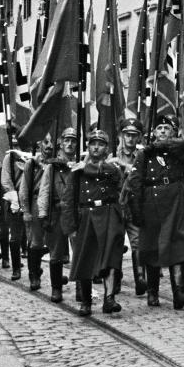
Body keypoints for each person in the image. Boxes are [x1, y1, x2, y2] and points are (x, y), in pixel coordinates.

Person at [126, 115, 184, 309]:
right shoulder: (145, 154)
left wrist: (165, 145)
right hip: (152, 201)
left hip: (175, 202)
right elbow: (135, 182)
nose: (163, 131)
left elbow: (183, 146)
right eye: (159, 128)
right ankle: (152, 292)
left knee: (177, 246)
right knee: (152, 247)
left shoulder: (177, 151)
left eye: (167, 128)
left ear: (173, 132)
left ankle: (178, 293)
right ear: (153, 133)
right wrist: (137, 208)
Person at [62, 129, 125, 316]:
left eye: (101, 144)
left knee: (111, 257)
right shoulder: (77, 172)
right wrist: (70, 226)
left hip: (108, 214)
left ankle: (109, 298)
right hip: (86, 215)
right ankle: (86, 301)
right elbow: (69, 199)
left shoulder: (112, 168)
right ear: (88, 147)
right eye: (93, 144)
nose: (96, 147)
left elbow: (118, 183)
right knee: (85, 258)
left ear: (107, 148)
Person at [37, 128, 77, 303]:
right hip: (57, 212)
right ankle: (56, 289)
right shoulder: (52, 168)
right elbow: (44, 191)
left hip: (75, 214)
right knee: (56, 253)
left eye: (73, 141)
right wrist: (43, 214)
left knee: (79, 252)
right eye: (66, 140)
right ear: (61, 143)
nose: (70, 144)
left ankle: (82, 289)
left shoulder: (80, 165)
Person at [111, 118, 145, 296]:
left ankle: (140, 278)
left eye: (134, 135)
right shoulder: (111, 156)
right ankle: (115, 280)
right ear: (121, 136)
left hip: (134, 205)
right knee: (116, 243)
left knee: (137, 242)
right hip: (116, 206)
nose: (130, 139)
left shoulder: (143, 156)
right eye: (127, 135)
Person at [19, 137, 53, 291]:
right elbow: (24, 188)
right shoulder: (31, 164)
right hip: (36, 202)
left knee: (54, 241)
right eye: (46, 142)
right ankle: (34, 275)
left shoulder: (56, 163)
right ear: (39, 144)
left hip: (54, 203)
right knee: (36, 241)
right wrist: (25, 210)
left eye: (52, 143)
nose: (49, 146)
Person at [0, 148, 25, 281]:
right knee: (15, 236)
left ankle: (34, 270)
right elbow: (6, 180)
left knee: (33, 238)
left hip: (31, 200)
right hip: (15, 200)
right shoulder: (9, 158)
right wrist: (14, 197)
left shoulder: (33, 154)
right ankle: (16, 269)